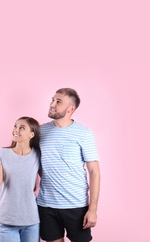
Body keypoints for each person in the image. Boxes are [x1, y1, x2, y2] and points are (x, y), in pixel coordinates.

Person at [37, 88, 101, 242]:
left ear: (70, 109)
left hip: (76, 205)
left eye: (58, 102)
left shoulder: (84, 133)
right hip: (47, 205)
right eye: (52, 100)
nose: (52, 104)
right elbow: (34, 162)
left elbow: (94, 172)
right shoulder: (40, 131)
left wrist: (92, 210)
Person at [0, 116, 41, 242]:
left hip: (31, 219)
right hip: (7, 219)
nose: (16, 130)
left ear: (31, 134)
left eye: (22, 127)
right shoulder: (1, 153)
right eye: (15, 126)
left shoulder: (37, 155)